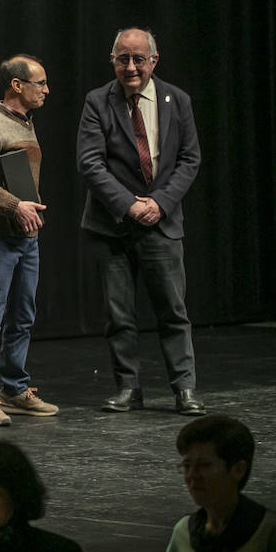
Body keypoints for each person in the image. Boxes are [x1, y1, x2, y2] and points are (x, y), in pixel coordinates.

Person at [77, 28, 204, 416]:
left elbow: (189, 159)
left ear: (154, 60)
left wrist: (159, 204)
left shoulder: (177, 100)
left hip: (161, 224)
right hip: (112, 225)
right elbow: (90, 163)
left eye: (138, 59)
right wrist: (130, 205)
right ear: (112, 60)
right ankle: (128, 388)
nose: (131, 67)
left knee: (173, 312)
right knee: (119, 315)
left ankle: (184, 390)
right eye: (122, 59)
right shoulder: (98, 101)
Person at [0, 55, 57, 427]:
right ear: (17, 85)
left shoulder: (26, 123)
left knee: (23, 316)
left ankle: (14, 388)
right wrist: (15, 206)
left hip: (27, 237)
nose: (46, 90)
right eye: (40, 83)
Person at [166, 415, 276, 552]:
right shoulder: (183, 533)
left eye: (204, 465)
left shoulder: (268, 532)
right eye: (187, 465)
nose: (192, 475)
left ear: (238, 470)